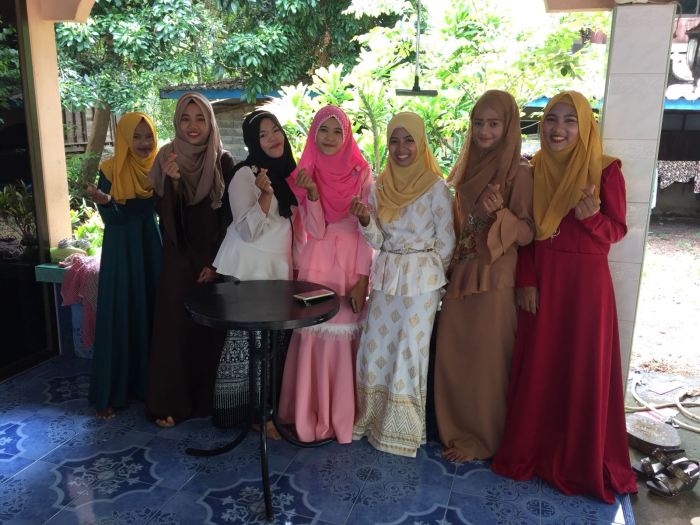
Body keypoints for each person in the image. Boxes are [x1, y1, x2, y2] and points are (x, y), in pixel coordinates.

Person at [490, 91, 637, 503]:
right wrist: (527, 280)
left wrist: (593, 219)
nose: (558, 129)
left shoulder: (605, 171)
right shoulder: (533, 169)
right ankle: (532, 453)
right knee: (539, 367)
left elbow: (616, 232)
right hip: (543, 281)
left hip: (587, 290)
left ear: (586, 126)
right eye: (551, 119)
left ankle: (577, 461)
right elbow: (526, 231)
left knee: (582, 370)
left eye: (570, 121)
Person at [434, 90, 534, 462]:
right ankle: (455, 431)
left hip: (495, 279)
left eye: (494, 124)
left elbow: (528, 231)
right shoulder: (469, 168)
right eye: (479, 123)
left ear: (508, 127)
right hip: (463, 272)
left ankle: (484, 438)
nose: (485, 131)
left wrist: (501, 214)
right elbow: (459, 225)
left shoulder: (519, 172)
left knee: (488, 363)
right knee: (453, 354)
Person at [351, 112, 455, 457]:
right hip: (386, 276)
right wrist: (365, 221)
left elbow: (447, 243)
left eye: (409, 140)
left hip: (421, 283)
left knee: (409, 351)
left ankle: (402, 431)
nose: (401, 148)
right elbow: (378, 241)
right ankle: (371, 421)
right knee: (375, 347)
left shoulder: (436, 188)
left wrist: (433, 282)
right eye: (394, 140)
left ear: (421, 143)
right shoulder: (379, 187)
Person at [278, 105, 373, 443]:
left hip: (351, 261)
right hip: (318, 259)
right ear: (313, 133)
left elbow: (368, 230)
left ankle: (341, 417)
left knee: (345, 333)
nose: (330, 138)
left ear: (347, 135)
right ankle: (309, 413)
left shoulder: (361, 171)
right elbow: (315, 230)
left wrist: (362, 277)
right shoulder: (307, 171)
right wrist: (314, 196)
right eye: (323, 130)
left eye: (337, 131)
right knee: (314, 332)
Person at [146, 92, 235, 427]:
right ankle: (172, 404)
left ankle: (209, 404)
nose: (193, 126)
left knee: (209, 333)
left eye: (200, 118)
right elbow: (167, 224)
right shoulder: (166, 158)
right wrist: (172, 184)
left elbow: (229, 220)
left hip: (213, 259)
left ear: (210, 122)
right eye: (185, 118)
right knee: (174, 332)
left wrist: (216, 264)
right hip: (178, 259)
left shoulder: (223, 162)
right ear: (177, 122)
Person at [212, 109, 304, 434]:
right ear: (254, 142)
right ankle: (243, 416)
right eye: (262, 135)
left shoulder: (289, 173)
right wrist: (265, 196)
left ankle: (264, 414)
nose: (272, 138)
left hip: (276, 270)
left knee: (270, 346)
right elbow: (247, 231)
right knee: (245, 345)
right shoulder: (245, 175)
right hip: (248, 273)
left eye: (275, 130)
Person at [85, 112, 162, 419]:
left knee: (150, 312)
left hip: (150, 245)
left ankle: (146, 388)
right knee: (119, 312)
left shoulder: (158, 167)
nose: (144, 143)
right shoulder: (109, 169)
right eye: (136, 137)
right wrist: (106, 203)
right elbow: (113, 219)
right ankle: (111, 393)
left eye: (148, 136)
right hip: (121, 249)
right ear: (125, 139)